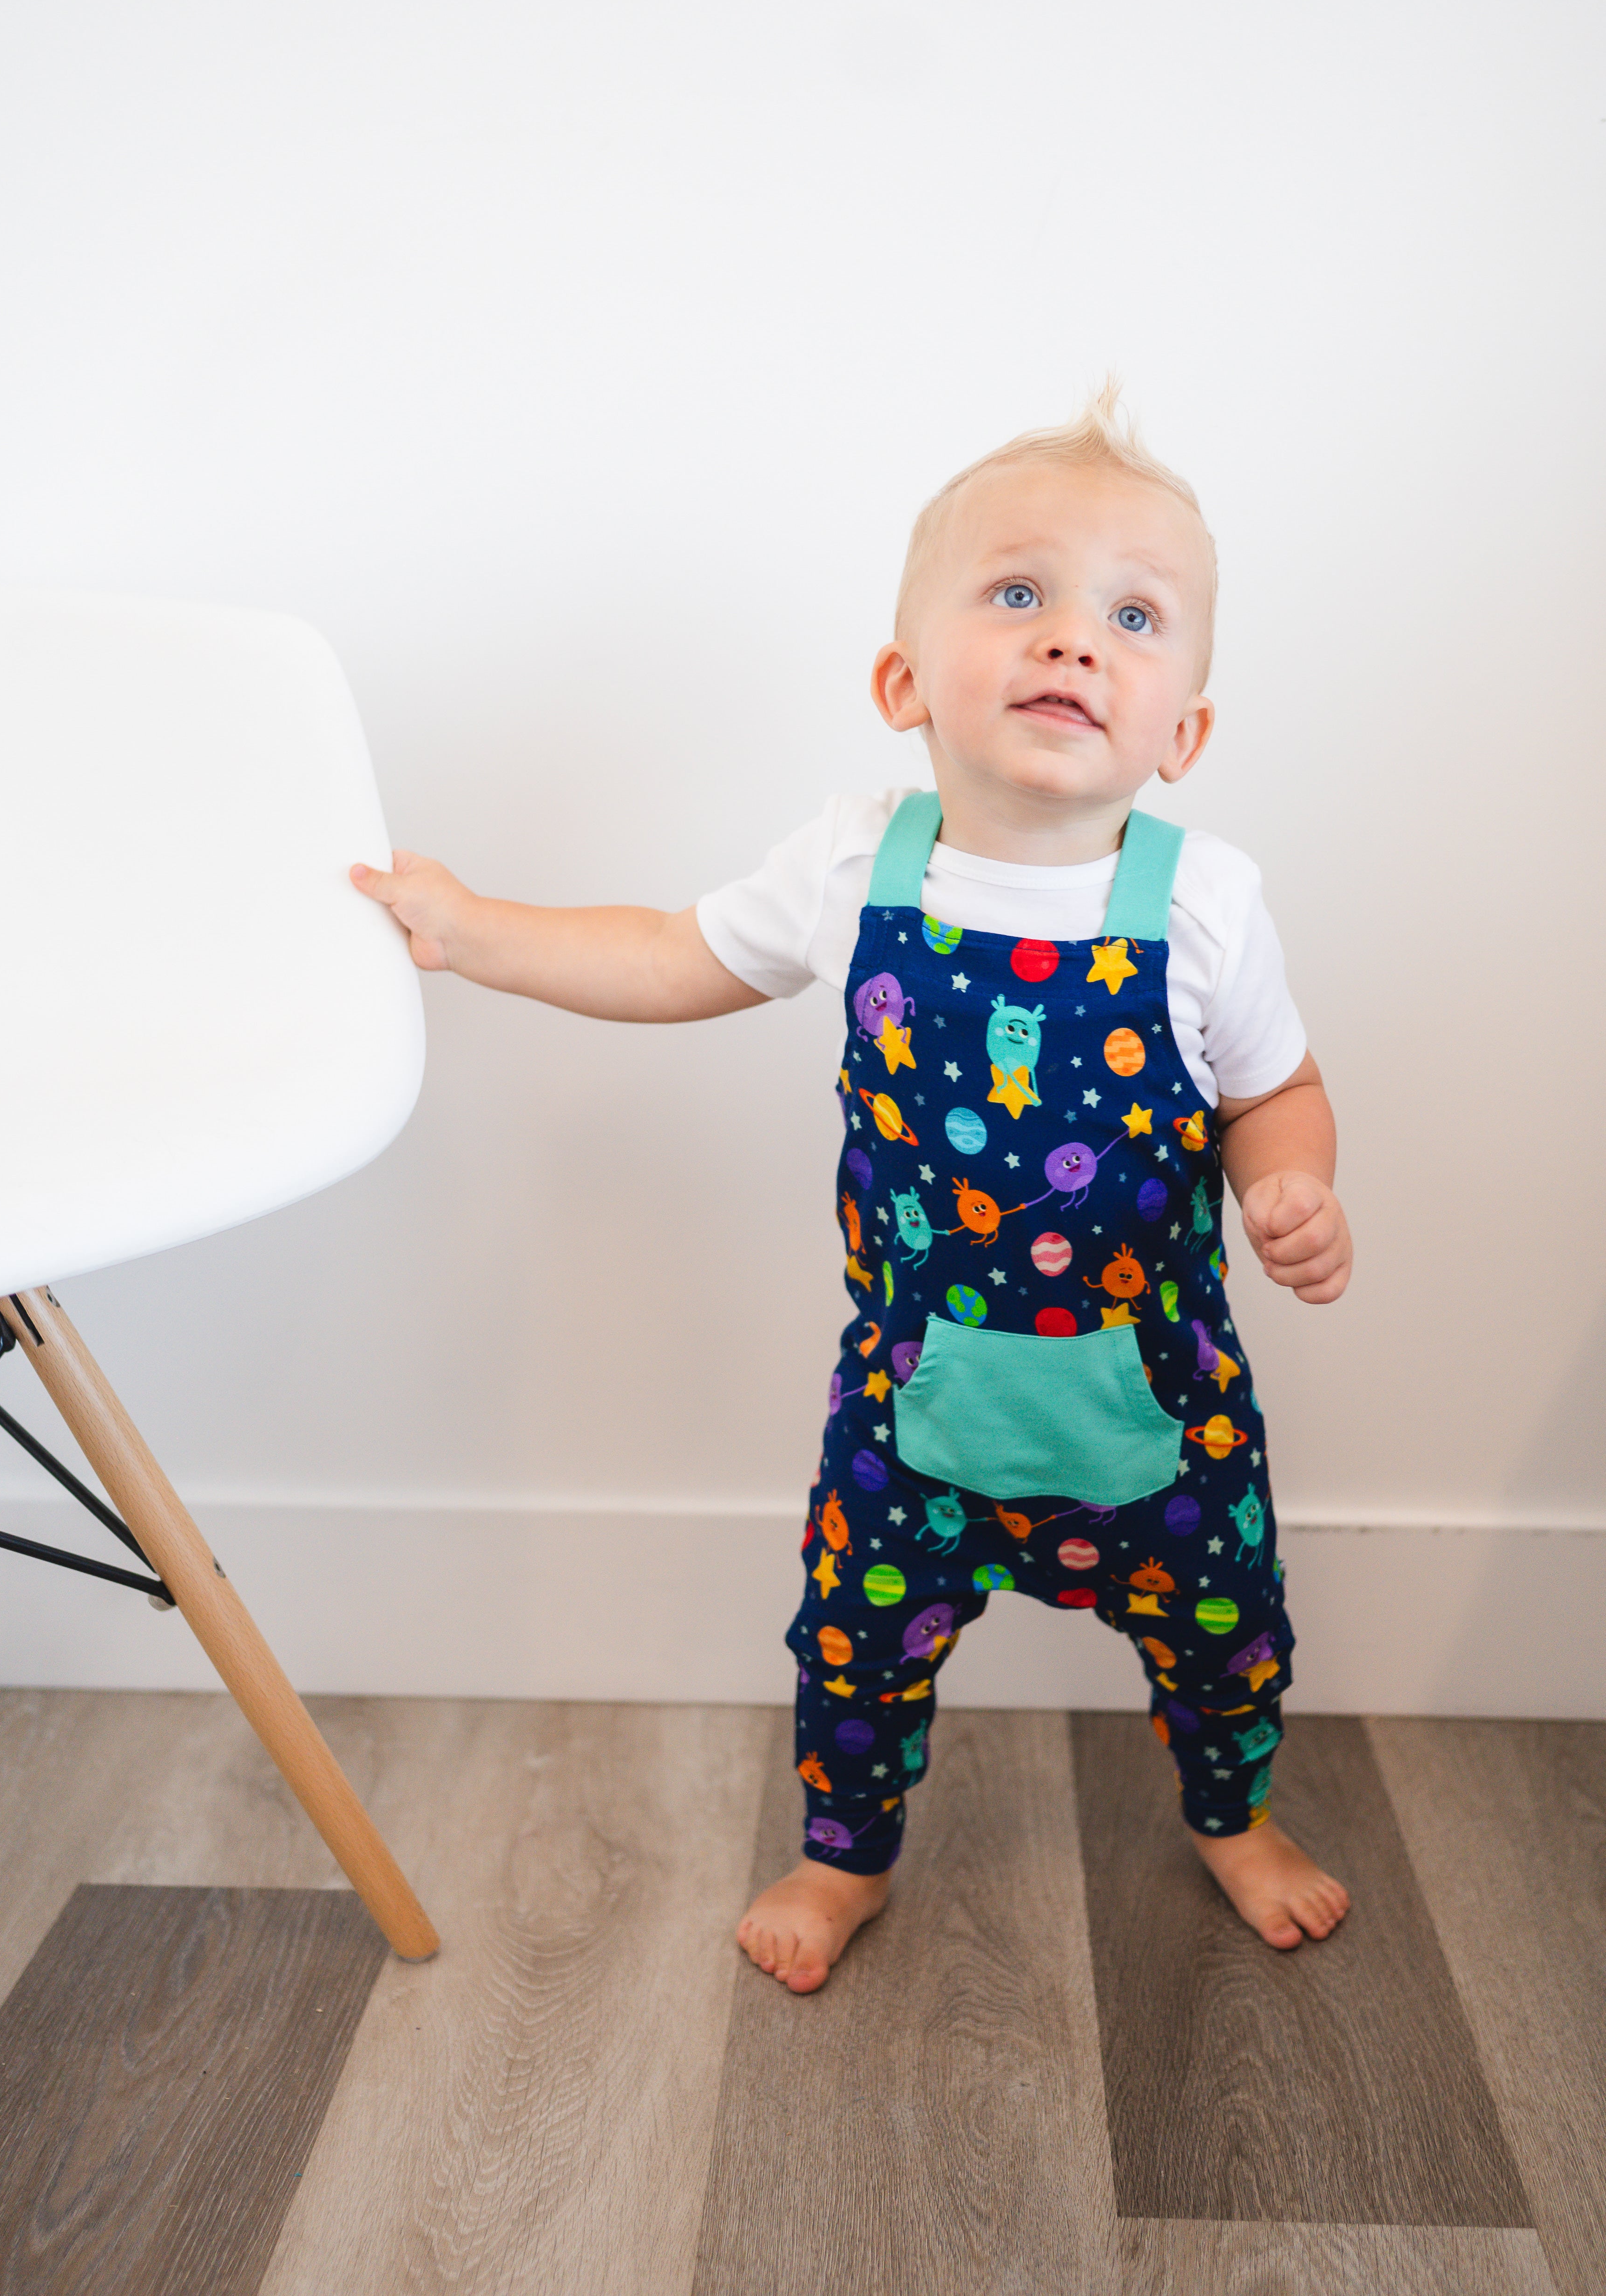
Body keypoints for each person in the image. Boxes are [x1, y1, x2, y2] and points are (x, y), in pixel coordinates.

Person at [352, 384, 1353, 1994]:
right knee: (852, 1648)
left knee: (1227, 1637)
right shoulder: (854, 864)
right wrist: (477, 928)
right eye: (1018, 593)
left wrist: (1291, 1185)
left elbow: (1273, 1089)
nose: (1073, 641)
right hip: (914, 1409)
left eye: (1134, 614)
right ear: (904, 681)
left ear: (1186, 731)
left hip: (1160, 1408)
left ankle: (1232, 1816)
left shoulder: (1208, 904)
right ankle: (846, 1858)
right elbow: (673, 955)